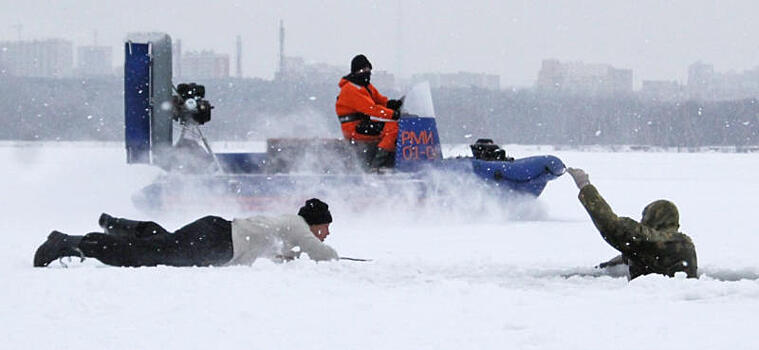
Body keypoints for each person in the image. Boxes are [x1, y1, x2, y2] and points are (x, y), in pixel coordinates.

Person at [33, 198, 338, 268]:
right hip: (217, 241)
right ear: (315, 221)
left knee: (162, 243)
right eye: (326, 227)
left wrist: (290, 258)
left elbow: (281, 254)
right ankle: (68, 243)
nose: (325, 234)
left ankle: (122, 225)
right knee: (145, 256)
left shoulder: (283, 228)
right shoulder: (298, 225)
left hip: (215, 232)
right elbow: (322, 254)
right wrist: (339, 260)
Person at [566, 168, 698, 280]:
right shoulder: (682, 244)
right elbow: (643, 253)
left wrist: (585, 186)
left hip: (652, 305)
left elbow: (613, 226)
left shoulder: (653, 241)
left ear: (652, 218)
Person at [335, 54, 404, 169]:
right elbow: (372, 109)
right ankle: (376, 166)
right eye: (363, 70)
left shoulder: (365, 86)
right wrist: (394, 114)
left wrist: (396, 104)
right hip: (354, 128)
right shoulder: (351, 89)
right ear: (355, 71)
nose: (366, 72)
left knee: (393, 127)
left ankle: (390, 160)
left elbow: (380, 101)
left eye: (368, 70)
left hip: (363, 124)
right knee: (393, 129)